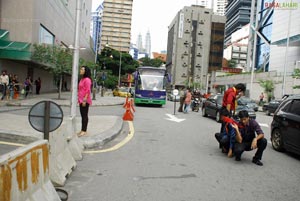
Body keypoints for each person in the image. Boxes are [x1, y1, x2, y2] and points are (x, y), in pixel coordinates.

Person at [77, 66, 92, 137]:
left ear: (86, 71)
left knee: (84, 115)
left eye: (82, 69)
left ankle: (84, 130)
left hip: (84, 100)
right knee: (82, 115)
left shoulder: (87, 80)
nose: (81, 70)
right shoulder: (82, 79)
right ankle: (82, 129)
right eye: (81, 69)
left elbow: (88, 90)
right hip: (80, 100)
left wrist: (84, 100)